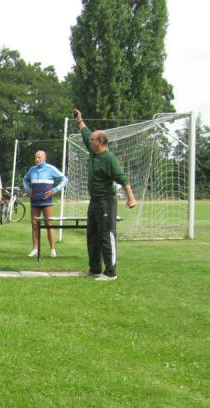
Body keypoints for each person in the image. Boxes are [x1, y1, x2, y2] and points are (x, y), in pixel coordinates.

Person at [73, 109, 137, 280]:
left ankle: (110, 272)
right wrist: (80, 120)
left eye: (93, 139)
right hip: (94, 201)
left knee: (106, 235)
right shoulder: (93, 152)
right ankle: (95, 269)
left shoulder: (109, 159)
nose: (90, 141)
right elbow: (86, 134)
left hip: (106, 202)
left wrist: (131, 198)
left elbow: (122, 178)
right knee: (92, 235)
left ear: (100, 143)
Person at [23, 150, 68, 258]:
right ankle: (35, 249)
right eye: (36, 157)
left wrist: (55, 190)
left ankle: (52, 249)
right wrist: (27, 188)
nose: (37, 159)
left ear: (44, 158)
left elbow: (65, 179)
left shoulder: (50, 168)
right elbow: (25, 180)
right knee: (34, 224)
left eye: (39, 157)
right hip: (34, 201)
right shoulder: (32, 169)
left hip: (47, 201)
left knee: (49, 224)